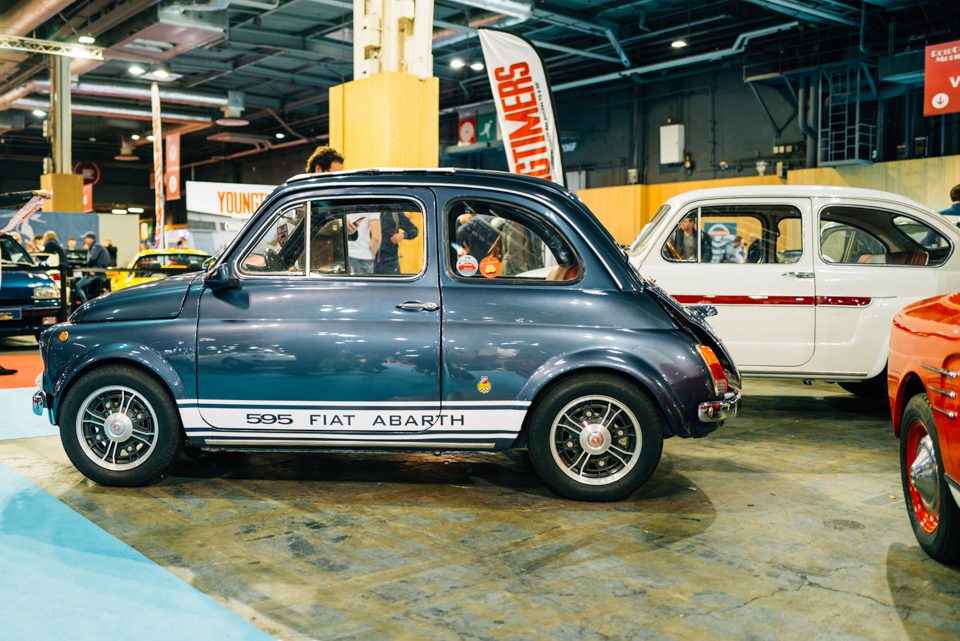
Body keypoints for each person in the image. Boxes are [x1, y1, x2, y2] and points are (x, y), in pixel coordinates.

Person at [76, 232, 111, 303]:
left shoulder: (96, 246)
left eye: (85, 238)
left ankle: (85, 303)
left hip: (96, 273)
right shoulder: (96, 246)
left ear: (90, 239)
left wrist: (91, 268)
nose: (84, 240)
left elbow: (92, 258)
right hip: (96, 272)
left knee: (78, 286)